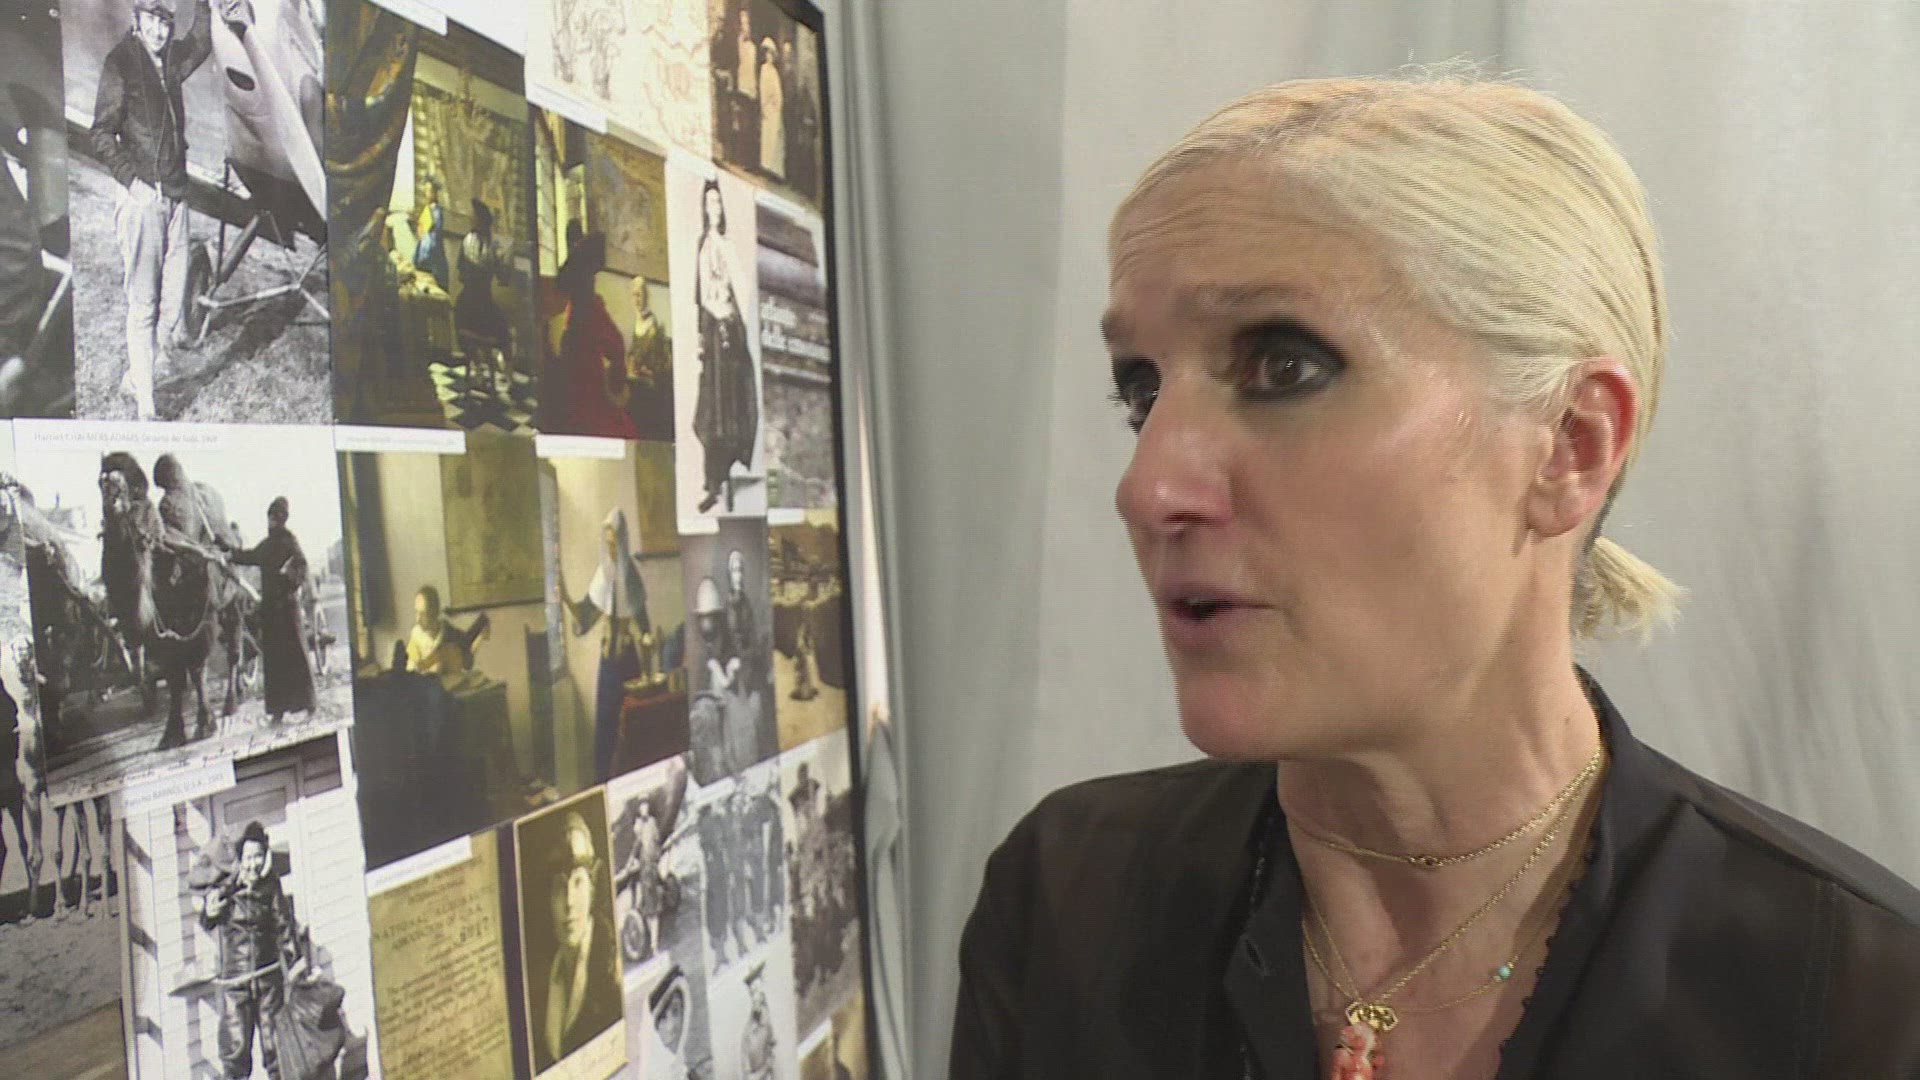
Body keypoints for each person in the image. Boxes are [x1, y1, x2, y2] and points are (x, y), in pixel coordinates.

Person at [948, 72, 1920, 1079]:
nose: (1149, 487)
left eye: (1284, 367)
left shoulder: (1851, 1005)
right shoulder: (1072, 902)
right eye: (1141, 391)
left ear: (1569, 446)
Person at [90, 0, 215, 420]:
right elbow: (101, 133)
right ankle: (146, 406)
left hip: (177, 198)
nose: (160, 31)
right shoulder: (121, 62)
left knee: (173, 305)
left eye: (166, 22)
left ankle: (135, 377)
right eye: (152, 20)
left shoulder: (172, 59)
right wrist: (133, 183)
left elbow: (201, 41)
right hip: (142, 200)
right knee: (143, 303)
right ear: (137, 19)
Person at [561, 508, 652, 782]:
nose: (611, 549)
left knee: (632, 726)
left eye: (615, 544)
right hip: (608, 662)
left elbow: (644, 624)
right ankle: (604, 784)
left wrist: (647, 637)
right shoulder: (603, 574)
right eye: (608, 543)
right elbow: (585, 618)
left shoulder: (631, 575)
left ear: (622, 543)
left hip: (628, 662)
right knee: (605, 728)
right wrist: (565, 597)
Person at [201, 821, 295, 1080]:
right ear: (240, 858)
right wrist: (209, 912)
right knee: (235, 1053)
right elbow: (208, 920)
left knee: (275, 1049)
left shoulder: (270, 885)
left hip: (268, 981)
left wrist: (297, 968)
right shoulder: (226, 887)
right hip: (236, 984)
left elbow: (284, 927)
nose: (253, 863)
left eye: (258, 856)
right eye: (249, 857)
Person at [533, 809, 622, 1071]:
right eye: (560, 888)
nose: (570, 903)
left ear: (593, 889)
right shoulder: (543, 979)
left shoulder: (611, 967)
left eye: (578, 883)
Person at [692, 178, 759, 513]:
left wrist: (727, 313)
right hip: (711, 335)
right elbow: (699, 294)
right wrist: (700, 335)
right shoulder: (703, 245)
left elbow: (740, 289)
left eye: (718, 201)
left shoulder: (727, 246)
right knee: (709, 412)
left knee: (730, 410)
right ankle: (713, 483)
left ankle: (727, 479)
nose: (714, 208)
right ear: (704, 208)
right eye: (709, 202)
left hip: (729, 334)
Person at [224, 497, 314, 723]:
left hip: (287, 609)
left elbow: (301, 566)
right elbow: (250, 556)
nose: (270, 521)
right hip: (272, 611)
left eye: (273, 518)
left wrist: (288, 581)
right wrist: (228, 550)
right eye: (270, 517)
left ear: (280, 519)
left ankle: (308, 704)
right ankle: (278, 711)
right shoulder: (269, 543)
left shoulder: (289, 541)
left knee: (296, 657)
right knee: (275, 662)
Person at [544, 231, 638, 438]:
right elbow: (617, 346)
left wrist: (615, 381)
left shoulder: (581, 310)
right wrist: (617, 383)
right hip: (584, 389)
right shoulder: (587, 310)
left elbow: (616, 346)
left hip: (580, 386)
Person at [454, 199, 512, 396]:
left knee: (463, 323)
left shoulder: (470, 242)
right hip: (482, 304)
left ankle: (479, 365)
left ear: (480, 220)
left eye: (474, 216)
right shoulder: (492, 246)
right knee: (502, 332)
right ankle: (498, 369)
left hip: (468, 305)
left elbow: (461, 274)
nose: (471, 219)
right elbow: (503, 278)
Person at [403, 584, 488, 684]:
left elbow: (467, 663)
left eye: (423, 614)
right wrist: (429, 672)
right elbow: (410, 674)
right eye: (416, 612)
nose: (418, 619)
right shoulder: (416, 638)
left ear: (434, 613)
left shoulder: (451, 635)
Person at [622, 278, 673, 438]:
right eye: (634, 295)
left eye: (640, 295)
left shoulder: (653, 328)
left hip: (650, 392)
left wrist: (646, 370)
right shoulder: (637, 323)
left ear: (646, 296)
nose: (637, 300)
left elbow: (661, 364)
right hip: (637, 386)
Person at [412, 175, 448, 292]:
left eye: (429, 190)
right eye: (426, 190)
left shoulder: (436, 212)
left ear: (435, 193)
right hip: (424, 254)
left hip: (432, 257)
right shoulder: (426, 210)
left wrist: (424, 256)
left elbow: (433, 237)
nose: (426, 193)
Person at [757, 37, 784, 179]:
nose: (769, 57)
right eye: (767, 54)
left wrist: (777, 103)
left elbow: (778, 91)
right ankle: (766, 166)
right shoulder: (764, 70)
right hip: (767, 107)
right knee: (767, 137)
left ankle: (775, 170)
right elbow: (763, 89)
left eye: (771, 54)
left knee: (775, 137)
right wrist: (764, 105)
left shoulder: (774, 72)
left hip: (774, 109)